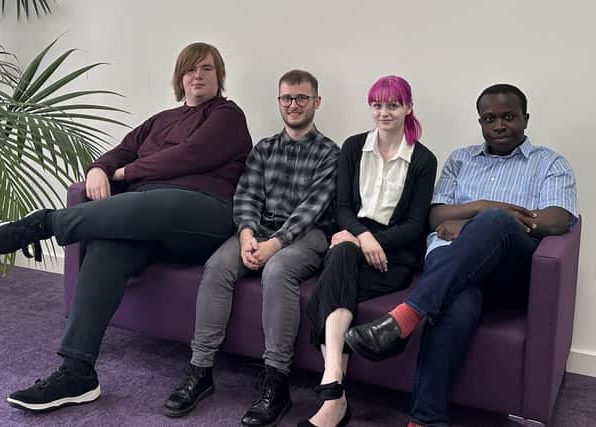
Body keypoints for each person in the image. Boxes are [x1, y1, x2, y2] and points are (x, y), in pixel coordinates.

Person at [0, 42, 253, 412]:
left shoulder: (227, 116)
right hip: (146, 216)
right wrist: (100, 167)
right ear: (180, 77)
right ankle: (77, 373)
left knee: (163, 201)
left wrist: (128, 173)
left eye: (207, 69)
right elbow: (121, 151)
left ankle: (45, 223)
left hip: (203, 216)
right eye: (190, 69)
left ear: (219, 76)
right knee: (107, 247)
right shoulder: (159, 121)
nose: (198, 75)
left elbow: (192, 155)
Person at [345, 83, 577, 427]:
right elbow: (436, 217)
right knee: (456, 301)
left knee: (495, 222)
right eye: (490, 118)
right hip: (455, 270)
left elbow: (557, 219)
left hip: (508, 274)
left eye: (509, 117)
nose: (499, 125)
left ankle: (405, 317)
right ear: (480, 122)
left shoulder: (549, 163)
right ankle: (425, 420)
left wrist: (473, 222)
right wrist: (484, 209)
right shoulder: (461, 159)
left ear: (525, 119)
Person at [163, 70, 340, 427]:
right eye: (286, 98)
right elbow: (246, 195)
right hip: (258, 228)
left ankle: (276, 382)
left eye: (301, 98)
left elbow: (312, 210)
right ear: (279, 102)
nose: (293, 105)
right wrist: (246, 234)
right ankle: (200, 370)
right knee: (217, 266)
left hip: (307, 235)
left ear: (316, 102)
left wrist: (274, 244)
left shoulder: (330, 154)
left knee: (277, 271)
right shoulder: (264, 148)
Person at [299, 75, 437, 427]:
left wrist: (372, 241)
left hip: (394, 255)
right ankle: (334, 387)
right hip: (353, 239)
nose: (383, 112)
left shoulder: (423, 159)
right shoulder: (352, 147)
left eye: (392, 105)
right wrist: (362, 237)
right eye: (377, 104)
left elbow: (415, 225)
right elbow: (343, 207)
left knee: (327, 290)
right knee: (342, 256)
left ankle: (334, 397)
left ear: (408, 107)